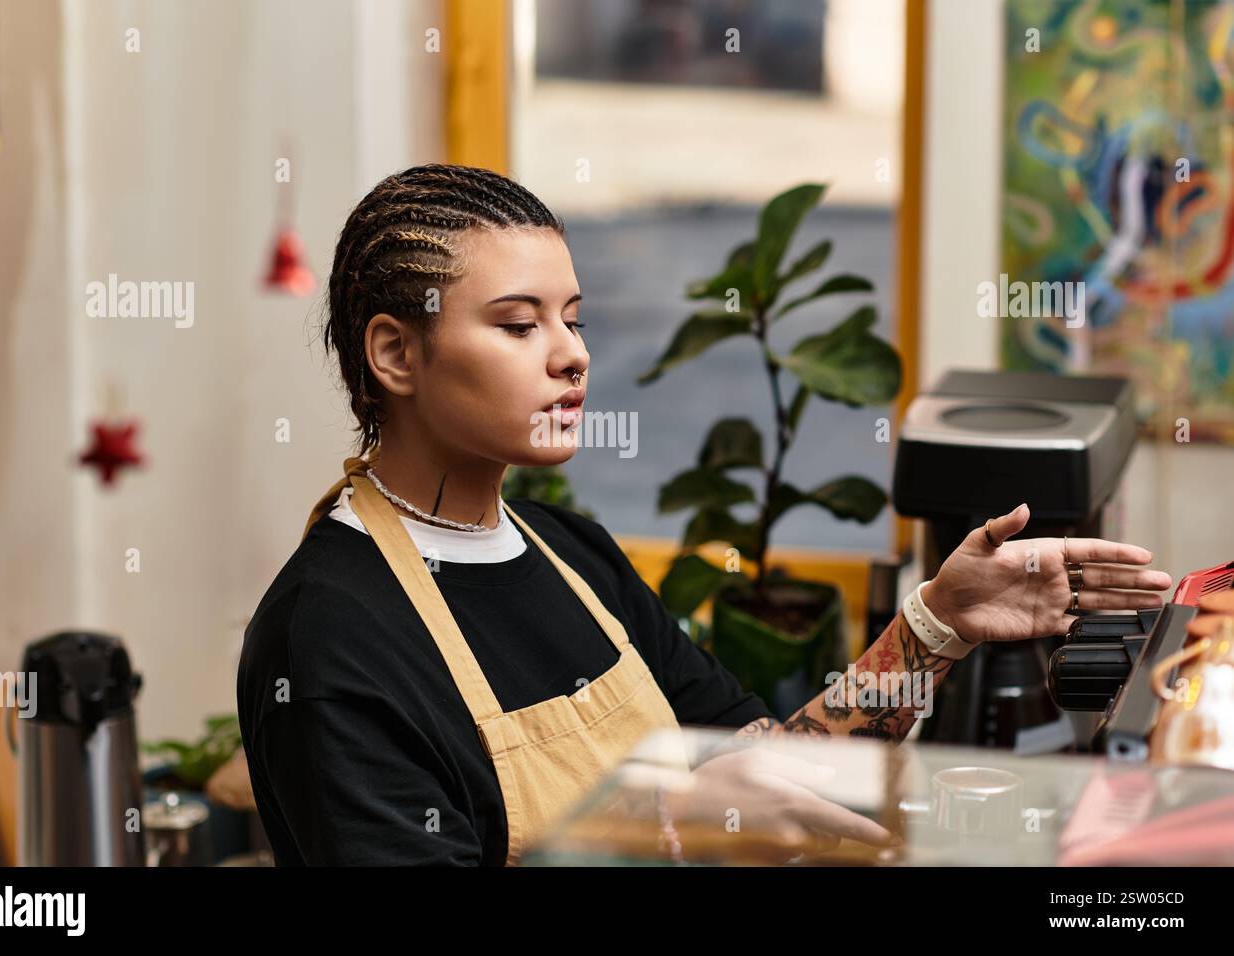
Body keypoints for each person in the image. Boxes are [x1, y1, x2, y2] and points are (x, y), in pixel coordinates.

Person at [235, 162, 1172, 866]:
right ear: (396, 355)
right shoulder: (330, 636)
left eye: (574, 318)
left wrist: (935, 627)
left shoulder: (570, 556)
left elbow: (769, 767)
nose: (570, 356)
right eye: (519, 325)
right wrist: (664, 823)